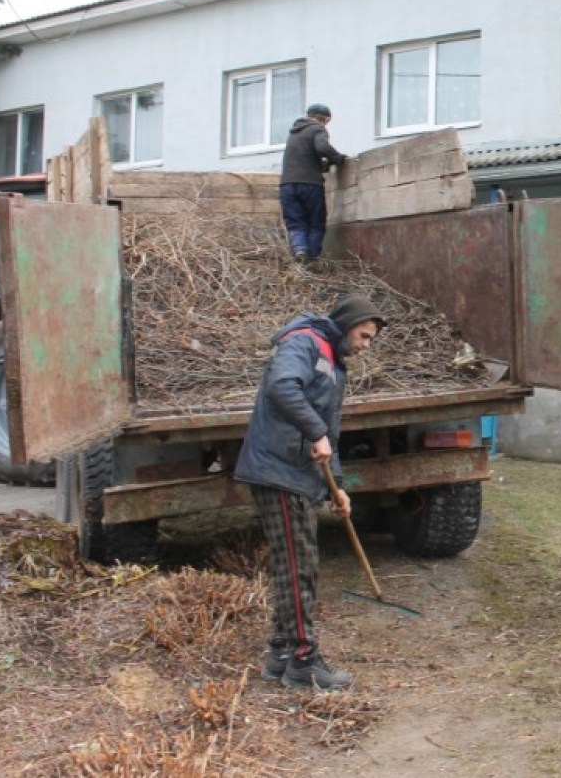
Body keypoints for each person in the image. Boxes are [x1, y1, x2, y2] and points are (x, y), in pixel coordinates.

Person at [235, 293, 386, 691]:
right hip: (278, 470)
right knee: (299, 567)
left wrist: (337, 489)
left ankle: (282, 653)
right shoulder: (303, 342)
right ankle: (304, 660)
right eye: (365, 336)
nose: (365, 346)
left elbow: (326, 434)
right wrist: (315, 433)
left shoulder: (332, 361)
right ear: (349, 323)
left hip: (297, 473)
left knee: (292, 566)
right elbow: (282, 388)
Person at [280, 103, 347, 262]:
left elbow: (304, 158)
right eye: (327, 121)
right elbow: (322, 147)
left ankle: (300, 251)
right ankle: (312, 259)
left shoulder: (294, 133)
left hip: (287, 185)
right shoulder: (317, 128)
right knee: (316, 222)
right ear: (323, 118)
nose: (326, 124)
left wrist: (322, 165)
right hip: (309, 185)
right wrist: (338, 158)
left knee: (295, 223)